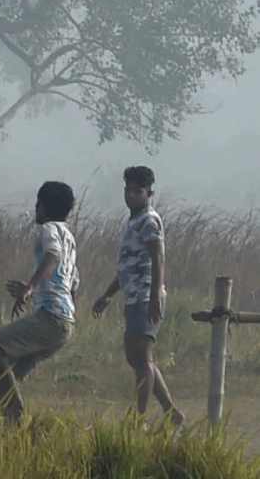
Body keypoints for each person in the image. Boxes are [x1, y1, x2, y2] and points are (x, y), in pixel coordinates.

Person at [0, 182, 79, 423]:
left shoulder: (49, 230)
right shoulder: (70, 238)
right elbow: (74, 282)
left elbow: (52, 256)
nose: (35, 209)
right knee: (9, 374)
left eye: (37, 204)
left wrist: (29, 288)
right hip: (65, 322)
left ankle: (14, 413)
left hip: (51, 317)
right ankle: (13, 428)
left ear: (44, 207)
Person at [92, 166, 184, 426]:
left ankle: (139, 419)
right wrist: (107, 296)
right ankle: (171, 412)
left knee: (143, 357)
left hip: (146, 295)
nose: (131, 195)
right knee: (135, 357)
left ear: (149, 193)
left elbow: (158, 257)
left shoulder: (149, 220)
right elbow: (126, 267)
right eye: (128, 190)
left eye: (137, 191)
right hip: (132, 296)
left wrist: (155, 295)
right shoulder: (132, 222)